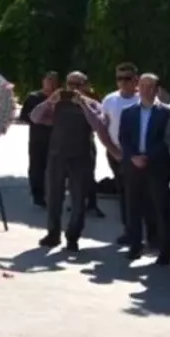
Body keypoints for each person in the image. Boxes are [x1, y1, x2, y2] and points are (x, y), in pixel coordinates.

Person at [30, 71, 113, 253]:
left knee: (78, 199)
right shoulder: (57, 104)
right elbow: (34, 117)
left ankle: (73, 237)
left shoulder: (93, 104)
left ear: (85, 85)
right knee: (53, 196)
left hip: (81, 156)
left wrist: (83, 103)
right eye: (70, 84)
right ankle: (53, 234)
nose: (73, 88)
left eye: (77, 84)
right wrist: (49, 101)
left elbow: (98, 125)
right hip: (57, 155)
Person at [120, 73, 170, 265]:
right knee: (133, 207)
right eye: (142, 85)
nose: (145, 89)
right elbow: (123, 138)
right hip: (134, 166)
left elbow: (166, 140)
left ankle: (165, 250)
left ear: (157, 89)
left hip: (157, 166)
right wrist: (133, 157)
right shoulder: (128, 112)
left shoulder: (166, 112)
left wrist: (148, 157)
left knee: (160, 208)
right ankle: (135, 246)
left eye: (150, 86)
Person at [101, 63, 144, 239]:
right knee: (125, 193)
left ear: (136, 79)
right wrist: (113, 151)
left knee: (145, 193)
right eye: (119, 78)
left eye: (127, 78)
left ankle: (151, 231)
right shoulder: (110, 100)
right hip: (118, 154)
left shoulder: (145, 98)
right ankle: (130, 230)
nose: (123, 82)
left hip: (142, 154)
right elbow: (102, 128)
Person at [20, 72, 59, 207]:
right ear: (43, 81)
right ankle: (38, 195)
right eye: (49, 80)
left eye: (54, 81)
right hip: (38, 137)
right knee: (37, 166)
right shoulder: (34, 97)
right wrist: (40, 121)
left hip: (55, 137)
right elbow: (24, 116)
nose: (51, 83)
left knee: (54, 167)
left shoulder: (59, 98)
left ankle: (52, 193)